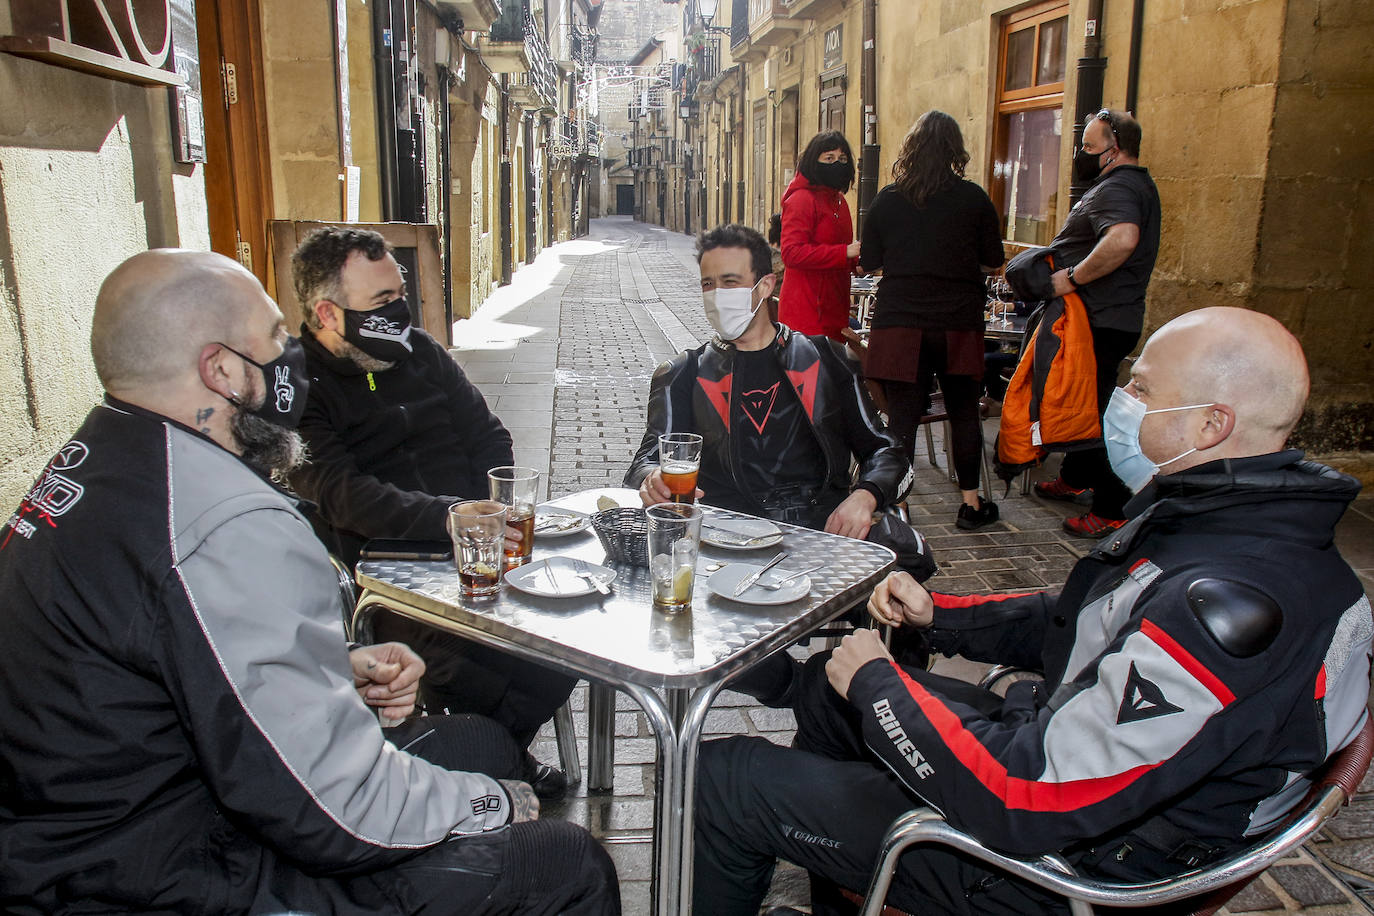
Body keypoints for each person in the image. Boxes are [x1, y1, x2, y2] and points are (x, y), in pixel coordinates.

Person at [692, 306, 1371, 916]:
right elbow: (1076, 618)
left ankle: (826, 841)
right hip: (1077, 771)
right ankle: (847, 880)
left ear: (1210, 423)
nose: (1121, 399)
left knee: (724, 780)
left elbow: (1023, 795)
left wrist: (880, 683)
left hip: (1057, 871)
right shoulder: (1236, 527)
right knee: (821, 688)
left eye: (1141, 388)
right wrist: (941, 615)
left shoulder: (1231, 608)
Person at [0, 250, 620, 915]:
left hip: (117, 817)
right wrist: (493, 805)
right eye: (273, 339)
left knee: (479, 739)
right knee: (564, 860)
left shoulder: (98, 462)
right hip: (150, 869)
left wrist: (330, 662)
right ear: (224, 371)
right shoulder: (225, 521)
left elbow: (162, 652)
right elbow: (340, 812)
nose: (288, 355)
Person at [285, 227, 576, 795]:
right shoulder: (300, 386)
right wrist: (451, 518)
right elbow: (343, 493)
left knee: (564, 641)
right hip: (389, 572)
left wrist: (487, 509)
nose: (400, 311)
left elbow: (489, 437)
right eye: (381, 302)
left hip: (480, 549)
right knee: (476, 669)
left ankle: (491, 758)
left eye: (401, 294)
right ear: (327, 312)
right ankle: (494, 765)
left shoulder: (423, 353)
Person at [626, 223, 911, 541]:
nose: (717, 295)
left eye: (730, 282)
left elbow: (886, 450)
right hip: (722, 540)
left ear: (764, 286)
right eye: (708, 284)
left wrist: (865, 496)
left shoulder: (828, 360)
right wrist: (651, 477)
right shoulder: (682, 373)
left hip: (819, 535)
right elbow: (648, 459)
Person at [860, 110, 1006, 530]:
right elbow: (993, 260)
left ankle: (899, 507)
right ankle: (971, 503)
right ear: (954, 151)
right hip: (958, 321)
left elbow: (869, 262)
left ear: (911, 150)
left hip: (901, 319)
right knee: (963, 410)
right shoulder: (974, 198)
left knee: (902, 415)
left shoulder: (888, 199)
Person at [1034, 108, 1162, 538]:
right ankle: (1075, 477)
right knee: (1087, 402)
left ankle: (1111, 506)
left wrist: (1071, 278)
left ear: (1115, 149)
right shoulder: (1127, 185)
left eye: (1089, 147)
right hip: (1107, 316)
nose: (1081, 155)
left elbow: (1122, 239)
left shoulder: (1121, 186)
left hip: (1101, 319)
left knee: (1098, 410)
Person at [778, 130, 861, 341]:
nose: (837, 163)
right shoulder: (801, 199)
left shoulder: (839, 202)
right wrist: (844, 253)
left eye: (842, 159)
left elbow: (837, 250)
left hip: (834, 308)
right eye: (829, 158)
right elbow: (791, 253)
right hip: (807, 312)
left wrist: (856, 262)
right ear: (814, 161)